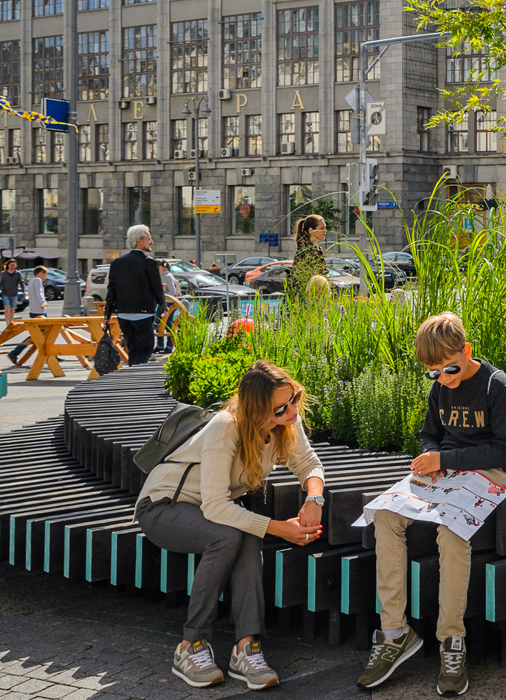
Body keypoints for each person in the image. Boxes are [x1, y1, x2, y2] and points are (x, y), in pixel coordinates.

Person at [358, 312, 506, 695]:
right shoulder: (441, 387)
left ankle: (452, 641)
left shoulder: (496, 386)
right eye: (433, 374)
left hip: (492, 471)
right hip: (446, 472)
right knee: (385, 515)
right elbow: (429, 434)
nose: (443, 379)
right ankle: (394, 632)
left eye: (449, 369)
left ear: (466, 351)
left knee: (452, 531)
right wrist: (431, 458)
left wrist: (444, 460)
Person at [136, 361, 324, 690]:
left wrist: (314, 501)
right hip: (163, 507)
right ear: (257, 411)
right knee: (228, 535)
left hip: (208, 512)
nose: (292, 409)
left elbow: (307, 462)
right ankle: (190, 645)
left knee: (248, 536)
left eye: (294, 398)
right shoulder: (226, 427)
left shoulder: (286, 420)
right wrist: (281, 528)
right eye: (280, 408)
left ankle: (246, 648)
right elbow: (214, 504)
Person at [104, 225, 165, 366]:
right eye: (149, 239)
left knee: (132, 349)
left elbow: (111, 291)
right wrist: (163, 306)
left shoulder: (117, 263)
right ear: (140, 241)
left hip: (123, 315)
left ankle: (132, 377)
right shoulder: (149, 263)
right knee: (145, 349)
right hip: (143, 314)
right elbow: (157, 289)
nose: (151, 242)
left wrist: (107, 315)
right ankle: (137, 379)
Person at [8, 266, 49, 364]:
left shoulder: (31, 281)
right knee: (47, 333)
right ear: (41, 272)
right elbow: (39, 293)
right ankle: (15, 352)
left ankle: (15, 352)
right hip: (40, 311)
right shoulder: (38, 280)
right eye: (45, 274)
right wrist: (43, 302)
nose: (45, 277)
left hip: (34, 310)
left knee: (39, 335)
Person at [287, 215, 328, 298]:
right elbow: (302, 282)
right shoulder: (306, 251)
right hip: (307, 299)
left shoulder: (316, 250)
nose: (325, 231)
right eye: (321, 228)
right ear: (311, 230)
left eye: (325, 228)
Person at [155, 261, 179, 355]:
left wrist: (161, 295)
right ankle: (160, 345)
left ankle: (169, 346)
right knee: (157, 323)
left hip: (169, 303)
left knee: (168, 324)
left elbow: (172, 292)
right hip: (162, 303)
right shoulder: (161, 275)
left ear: (160, 267)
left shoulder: (167, 276)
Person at [0, 259, 24, 326]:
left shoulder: (17, 274)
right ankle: (7, 323)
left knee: (12, 310)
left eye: (13, 265)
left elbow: (21, 282)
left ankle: (11, 323)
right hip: (5, 294)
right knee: (7, 308)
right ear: (8, 265)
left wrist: (23, 291)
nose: (12, 266)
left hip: (14, 294)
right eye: (11, 265)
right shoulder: (3, 274)